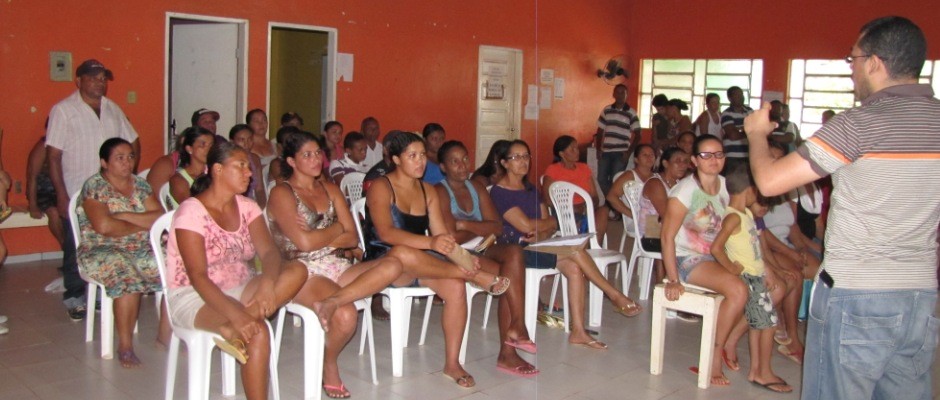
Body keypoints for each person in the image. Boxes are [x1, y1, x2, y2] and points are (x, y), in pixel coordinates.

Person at [744, 17, 940, 400]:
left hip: (857, 292)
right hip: (920, 293)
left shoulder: (858, 124)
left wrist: (756, 135)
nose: (850, 70)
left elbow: (769, 182)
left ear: (875, 63)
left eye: (852, 59)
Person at [364, 131, 512, 388]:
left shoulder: (428, 191)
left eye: (422, 155)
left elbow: (442, 238)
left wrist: (463, 259)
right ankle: (474, 277)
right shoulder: (381, 186)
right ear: (396, 159)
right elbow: (387, 233)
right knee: (406, 253)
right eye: (412, 156)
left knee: (454, 286)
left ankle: (452, 363)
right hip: (386, 261)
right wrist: (432, 244)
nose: (420, 161)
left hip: (421, 260)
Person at [266, 131, 405, 398]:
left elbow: (353, 237)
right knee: (347, 314)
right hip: (302, 271)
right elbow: (304, 245)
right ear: (291, 161)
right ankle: (329, 364)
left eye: (318, 152)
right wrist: (337, 229)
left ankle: (332, 301)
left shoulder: (329, 188)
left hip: (337, 266)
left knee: (394, 264)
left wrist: (325, 236)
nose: (315, 159)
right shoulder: (281, 193)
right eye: (306, 155)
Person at [165, 142, 307, 400]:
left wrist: (266, 282)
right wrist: (237, 316)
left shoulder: (247, 207)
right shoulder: (191, 212)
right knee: (258, 332)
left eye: (248, 167)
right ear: (217, 170)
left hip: (241, 287)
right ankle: (237, 327)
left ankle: (237, 326)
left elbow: (269, 253)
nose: (249, 172)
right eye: (240, 166)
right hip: (194, 295)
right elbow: (197, 276)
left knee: (297, 270)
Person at [490, 140, 641, 351]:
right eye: (516, 157)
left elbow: (548, 224)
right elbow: (524, 225)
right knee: (576, 250)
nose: (523, 162)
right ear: (505, 163)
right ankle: (613, 294)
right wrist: (546, 225)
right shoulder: (499, 192)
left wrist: (543, 229)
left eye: (526, 156)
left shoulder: (531, 189)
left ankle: (578, 331)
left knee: (574, 267)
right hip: (517, 251)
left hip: (540, 244)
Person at [47, 59, 141, 321]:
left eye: (103, 78)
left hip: (110, 192)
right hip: (78, 190)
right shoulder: (64, 110)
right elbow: (53, 156)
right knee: (75, 243)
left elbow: (132, 140)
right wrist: (61, 194)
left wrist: (128, 177)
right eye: (93, 77)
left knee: (106, 240)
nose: (100, 82)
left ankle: (99, 293)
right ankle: (74, 295)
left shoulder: (113, 109)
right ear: (79, 81)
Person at [434, 140, 538, 376]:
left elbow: (498, 227)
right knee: (508, 274)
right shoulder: (440, 191)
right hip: (456, 255)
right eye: (454, 161)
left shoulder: (477, 187)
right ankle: (508, 351)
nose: (462, 165)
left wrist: (464, 224)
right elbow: (452, 237)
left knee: (514, 251)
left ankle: (518, 324)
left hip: (484, 246)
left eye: (465, 159)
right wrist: (478, 227)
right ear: (443, 167)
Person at [660, 134, 747, 386]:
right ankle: (712, 358)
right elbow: (667, 237)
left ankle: (729, 342)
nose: (713, 160)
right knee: (738, 290)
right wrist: (673, 278)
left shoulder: (726, 186)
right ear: (694, 161)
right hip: (688, 258)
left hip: (718, 254)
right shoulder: (685, 190)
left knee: (760, 285)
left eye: (718, 154)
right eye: (706, 155)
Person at [77, 138, 167, 368]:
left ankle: (166, 336)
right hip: (101, 248)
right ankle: (125, 345)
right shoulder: (94, 187)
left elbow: (159, 216)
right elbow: (104, 228)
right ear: (104, 162)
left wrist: (124, 216)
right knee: (127, 275)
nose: (127, 162)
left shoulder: (141, 185)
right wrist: (142, 224)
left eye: (130, 157)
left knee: (175, 263)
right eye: (119, 158)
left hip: (141, 246)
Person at [708, 163, 791, 393]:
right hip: (749, 279)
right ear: (748, 191)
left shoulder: (745, 215)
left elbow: (753, 249)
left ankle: (760, 369)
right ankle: (761, 370)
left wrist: (765, 271)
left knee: (764, 325)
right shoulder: (733, 218)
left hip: (757, 277)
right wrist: (732, 268)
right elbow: (716, 248)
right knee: (766, 325)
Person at [543, 135, 609, 245]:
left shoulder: (584, 168)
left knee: (603, 211)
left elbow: (594, 196)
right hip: (564, 211)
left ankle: (595, 247)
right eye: (572, 149)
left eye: (577, 148)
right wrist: (570, 208)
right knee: (578, 220)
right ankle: (583, 248)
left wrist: (587, 206)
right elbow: (547, 199)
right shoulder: (553, 170)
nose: (577, 151)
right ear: (562, 154)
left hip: (585, 208)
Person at [637, 147, 689, 282]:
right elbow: (667, 215)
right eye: (678, 161)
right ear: (665, 163)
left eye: (685, 161)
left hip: (667, 230)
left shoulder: (679, 184)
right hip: (651, 233)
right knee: (690, 241)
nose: (683, 165)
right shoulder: (655, 183)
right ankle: (671, 282)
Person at [595, 84, 641, 195]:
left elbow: (638, 135)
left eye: (623, 93)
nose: (620, 95)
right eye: (618, 92)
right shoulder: (607, 110)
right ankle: (612, 205)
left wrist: (628, 153)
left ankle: (612, 205)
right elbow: (600, 131)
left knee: (615, 181)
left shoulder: (632, 113)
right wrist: (598, 149)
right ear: (614, 94)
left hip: (621, 153)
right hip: (606, 152)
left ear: (626, 95)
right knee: (601, 179)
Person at [606, 144, 656, 230]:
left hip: (655, 217)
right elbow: (611, 197)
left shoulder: (657, 177)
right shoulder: (629, 175)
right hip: (636, 220)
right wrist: (633, 214)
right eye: (645, 155)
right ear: (636, 159)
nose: (649, 157)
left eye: (651, 155)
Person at [27, 134, 65, 246]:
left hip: (62, 190)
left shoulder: (69, 143)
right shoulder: (42, 147)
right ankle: (65, 246)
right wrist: (32, 205)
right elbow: (31, 177)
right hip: (42, 191)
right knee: (54, 213)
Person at [168, 127, 214, 209]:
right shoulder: (178, 180)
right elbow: (190, 207)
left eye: (211, 145)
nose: (208, 149)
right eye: (203, 145)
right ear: (189, 149)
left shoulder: (214, 173)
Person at [229, 124, 267, 208]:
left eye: (250, 139)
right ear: (232, 141)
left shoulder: (255, 159)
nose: (246, 143)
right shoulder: (227, 160)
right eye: (242, 140)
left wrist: (260, 207)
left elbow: (259, 189)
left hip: (250, 204)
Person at [720, 86, 754, 173]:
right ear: (730, 98)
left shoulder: (750, 111)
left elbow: (757, 129)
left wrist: (740, 129)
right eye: (737, 95)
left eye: (742, 94)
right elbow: (733, 135)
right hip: (733, 157)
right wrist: (749, 130)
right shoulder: (726, 114)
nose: (741, 97)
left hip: (749, 155)